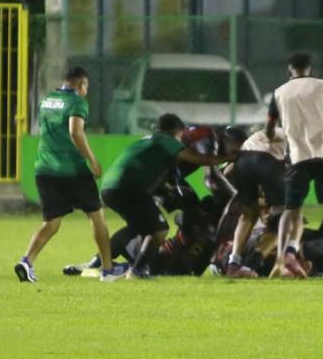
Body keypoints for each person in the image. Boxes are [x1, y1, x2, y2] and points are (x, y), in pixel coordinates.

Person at [15, 66, 124, 283]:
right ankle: (108, 269)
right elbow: (76, 131)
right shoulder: (77, 102)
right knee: (96, 216)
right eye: (86, 87)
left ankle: (26, 261)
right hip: (72, 170)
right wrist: (93, 161)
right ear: (80, 84)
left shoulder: (47, 100)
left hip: (45, 170)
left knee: (51, 223)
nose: (86, 92)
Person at [100, 113, 234, 278]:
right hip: (130, 188)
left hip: (110, 186)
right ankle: (138, 271)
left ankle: (101, 264)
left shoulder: (146, 140)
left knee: (138, 228)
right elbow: (197, 158)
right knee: (158, 229)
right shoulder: (165, 140)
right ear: (177, 131)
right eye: (181, 136)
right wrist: (229, 157)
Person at [266, 52, 323, 279]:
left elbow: (269, 128)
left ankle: (278, 261)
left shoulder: (278, 93)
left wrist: (278, 135)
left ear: (290, 70)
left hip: (298, 156)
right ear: (310, 69)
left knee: (290, 209)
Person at [224, 126, 288, 278]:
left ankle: (233, 264)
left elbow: (228, 172)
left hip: (242, 162)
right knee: (281, 223)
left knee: (248, 215)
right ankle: (249, 266)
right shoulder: (296, 136)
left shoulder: (259, 135)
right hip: (269, 164)